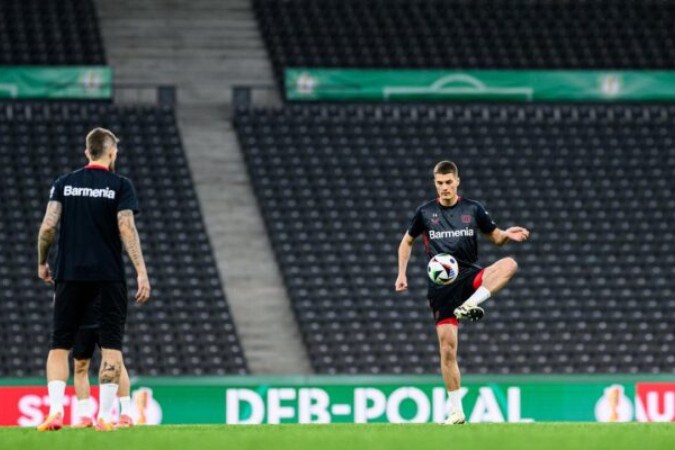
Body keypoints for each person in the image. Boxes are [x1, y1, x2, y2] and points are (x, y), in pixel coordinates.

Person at [395, 160, 529, 425]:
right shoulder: (425, 212)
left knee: (510, 264)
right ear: (436, 184)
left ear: (457, 181)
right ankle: (456, 411)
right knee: (447, 350)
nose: (444, 187)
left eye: (448, 182)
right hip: (442, 287)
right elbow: (406, 241)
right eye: (439, 183)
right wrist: (401, 273)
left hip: (468, 277)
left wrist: (507, 234)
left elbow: (496, 238)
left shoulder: (473, 209)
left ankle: (471, 304)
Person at [36, 127, 150, 431]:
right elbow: (126, 228)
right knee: (112, 347)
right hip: (108, 277)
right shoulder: (120, 185)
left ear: (87, 151)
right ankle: (105, 416)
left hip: (69, 275)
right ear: (112, 152)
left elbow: (48, 227)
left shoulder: (64, 183)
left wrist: (42, 262)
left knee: (59, 346)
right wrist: (141, 270)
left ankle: (56, 411)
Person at [71, 324, 134, 428]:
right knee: (80, 365)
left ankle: (125, 415)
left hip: (106, 315)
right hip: (83, 318)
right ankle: (85, 417)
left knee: (116, 360)